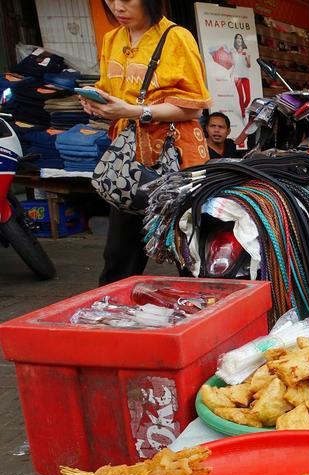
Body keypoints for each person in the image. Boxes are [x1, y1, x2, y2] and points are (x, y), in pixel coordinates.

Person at [80, 0, 211, 285]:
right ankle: (112, 321)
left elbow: (193, 107)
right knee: (118, 258)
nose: (117, 7)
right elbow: (112, 92)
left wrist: (134, 111)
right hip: (129, 163)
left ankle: (200, 318)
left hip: (176, 160)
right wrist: (97, 102)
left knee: (188, 254)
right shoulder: (112, 39)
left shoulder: (176, 37)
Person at [231, 33, 252, 116]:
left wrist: (247, 59)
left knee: (248, 98)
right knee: (241, 96)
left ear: (242, 40)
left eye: (240, 38)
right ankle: (243, 113)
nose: (239, 40)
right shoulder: (233, 52)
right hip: (237, 77)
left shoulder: (246, 51)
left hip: (245, 76)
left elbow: (249, 65)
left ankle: (243, 108)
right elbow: (233, 65)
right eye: (237, 38)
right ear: (235, 40)